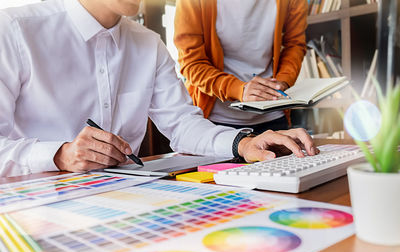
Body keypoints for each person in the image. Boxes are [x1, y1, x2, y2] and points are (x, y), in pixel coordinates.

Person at [0, 0, 317, 178]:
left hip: (123, 203)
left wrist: (244, 143)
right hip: (32, 215)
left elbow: (183, 126)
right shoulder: (14, 30)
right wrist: (58, 154)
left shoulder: (148, 43)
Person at [174, 0, 308, 133]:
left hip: (274, 113)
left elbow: (295, 44)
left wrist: (283, 80)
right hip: (216, 120)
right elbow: (191, 63)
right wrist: (239, 89)